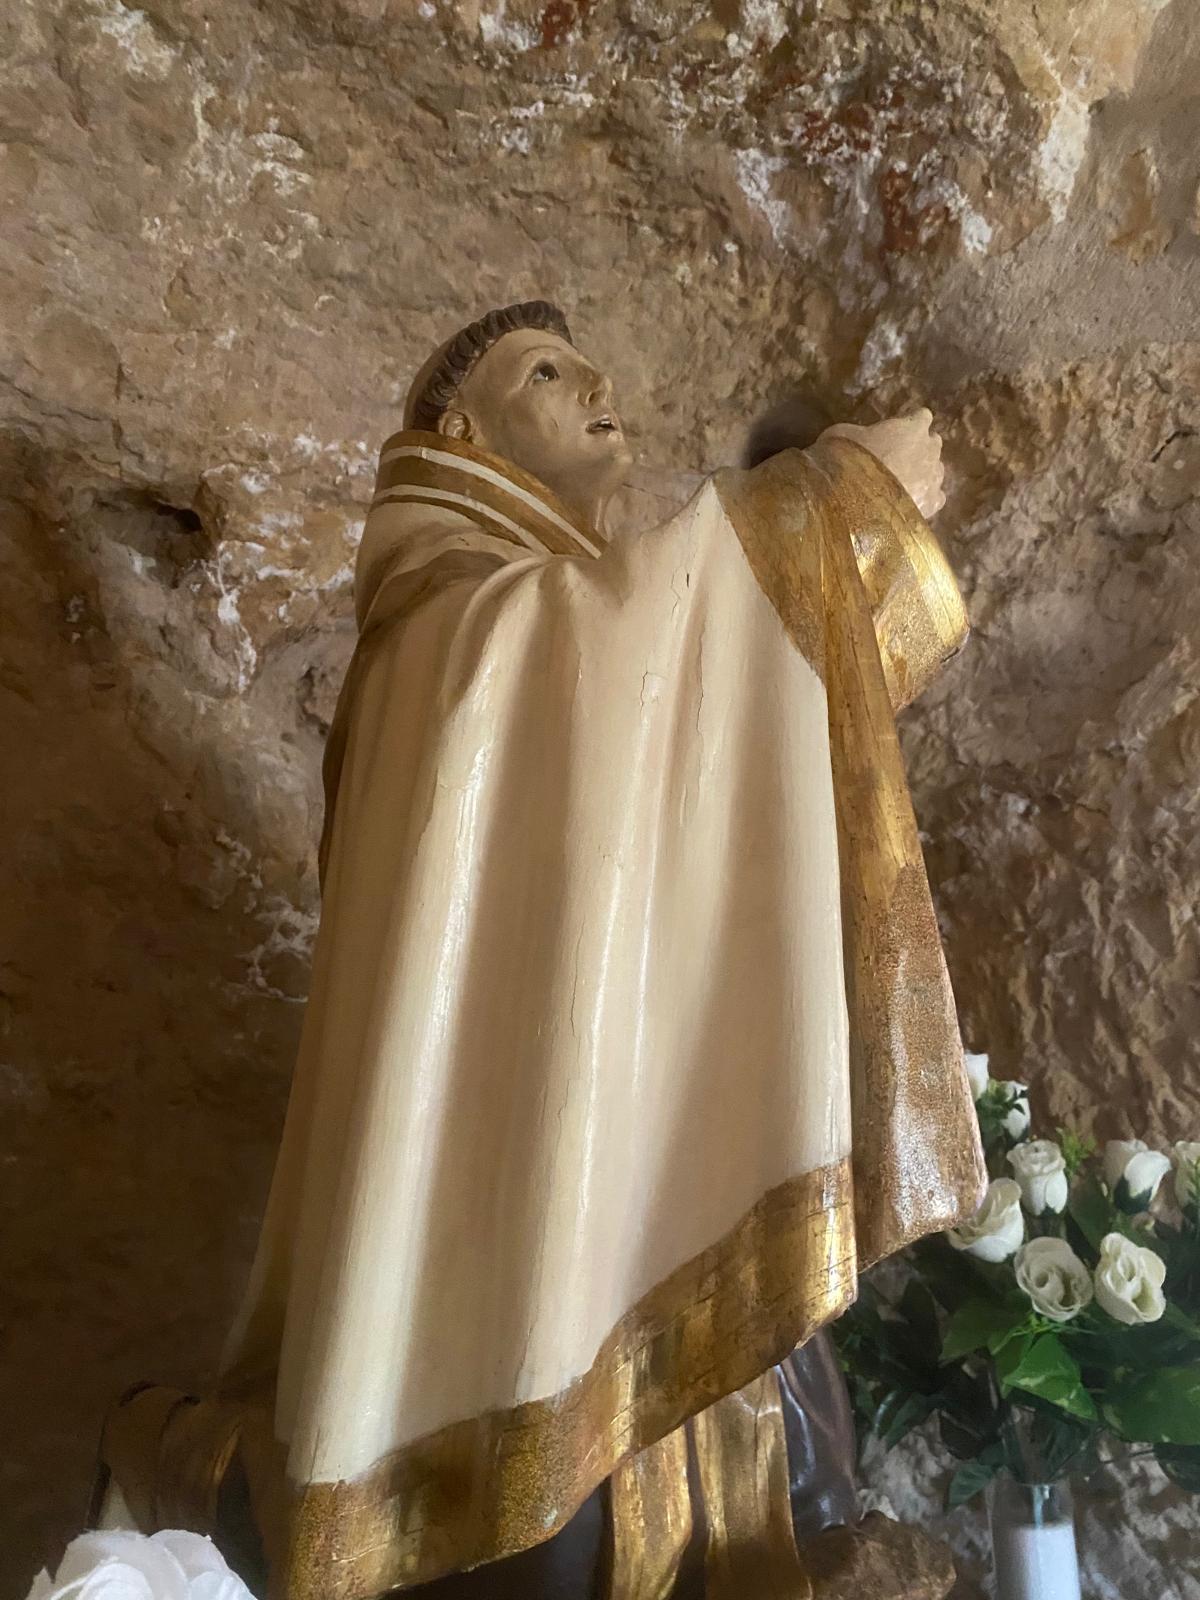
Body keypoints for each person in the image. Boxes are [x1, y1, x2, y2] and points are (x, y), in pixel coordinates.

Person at [99, 301, 984, 1600]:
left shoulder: (538, 620)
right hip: (504, 1186)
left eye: (587, 362)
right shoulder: (442, 622)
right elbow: (604, 658)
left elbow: (671, 752)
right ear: (461, 433)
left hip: (623, 1153)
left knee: (791, 1456)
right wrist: (833, 499)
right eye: (547, 371)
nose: (596, 381)